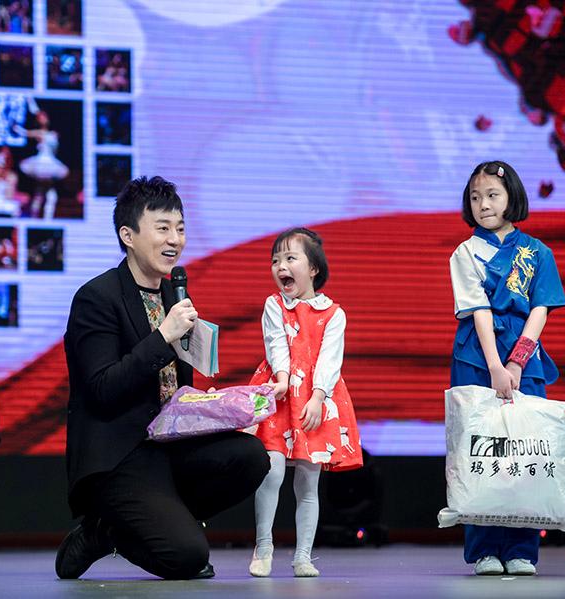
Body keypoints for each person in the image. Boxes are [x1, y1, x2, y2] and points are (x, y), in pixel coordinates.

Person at [57, 175, 269, 580]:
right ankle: (104, 530)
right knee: (188, 557)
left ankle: (149, 523)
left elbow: (174, 384)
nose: (175, 239)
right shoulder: (96, 298)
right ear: (128, 235)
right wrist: (163, 336)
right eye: (162, 228)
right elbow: (101, 389)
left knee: (250, 457)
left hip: (170, 442)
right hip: (121, 453)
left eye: (181, 228)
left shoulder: (175, 295)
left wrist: (215, 406)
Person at [449, 161, 565, 576]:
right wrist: (497, 366)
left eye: (492, 195)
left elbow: (540, 308)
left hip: (524, 356)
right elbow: (478, 309)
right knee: (478, 450)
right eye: (475, 197)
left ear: (511, 197)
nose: (483, 204)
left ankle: (521, 549)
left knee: (525, 448)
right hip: (476, 356)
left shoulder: (538, 252)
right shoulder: (465, 252)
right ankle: (483, 549)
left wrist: (517, 360)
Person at [247, 227, 362, 578]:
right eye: (275, 260)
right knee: (272, 472)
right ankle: (264, 546)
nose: (281, 266)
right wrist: (282, 379)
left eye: (290, 258)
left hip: (316, 399)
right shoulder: (274, 304)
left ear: (313, 269)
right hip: (280, 396)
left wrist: (317, 397)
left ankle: (303, 556)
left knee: (308, 484)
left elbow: (330, 359)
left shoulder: (334, 313)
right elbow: (276, 343)